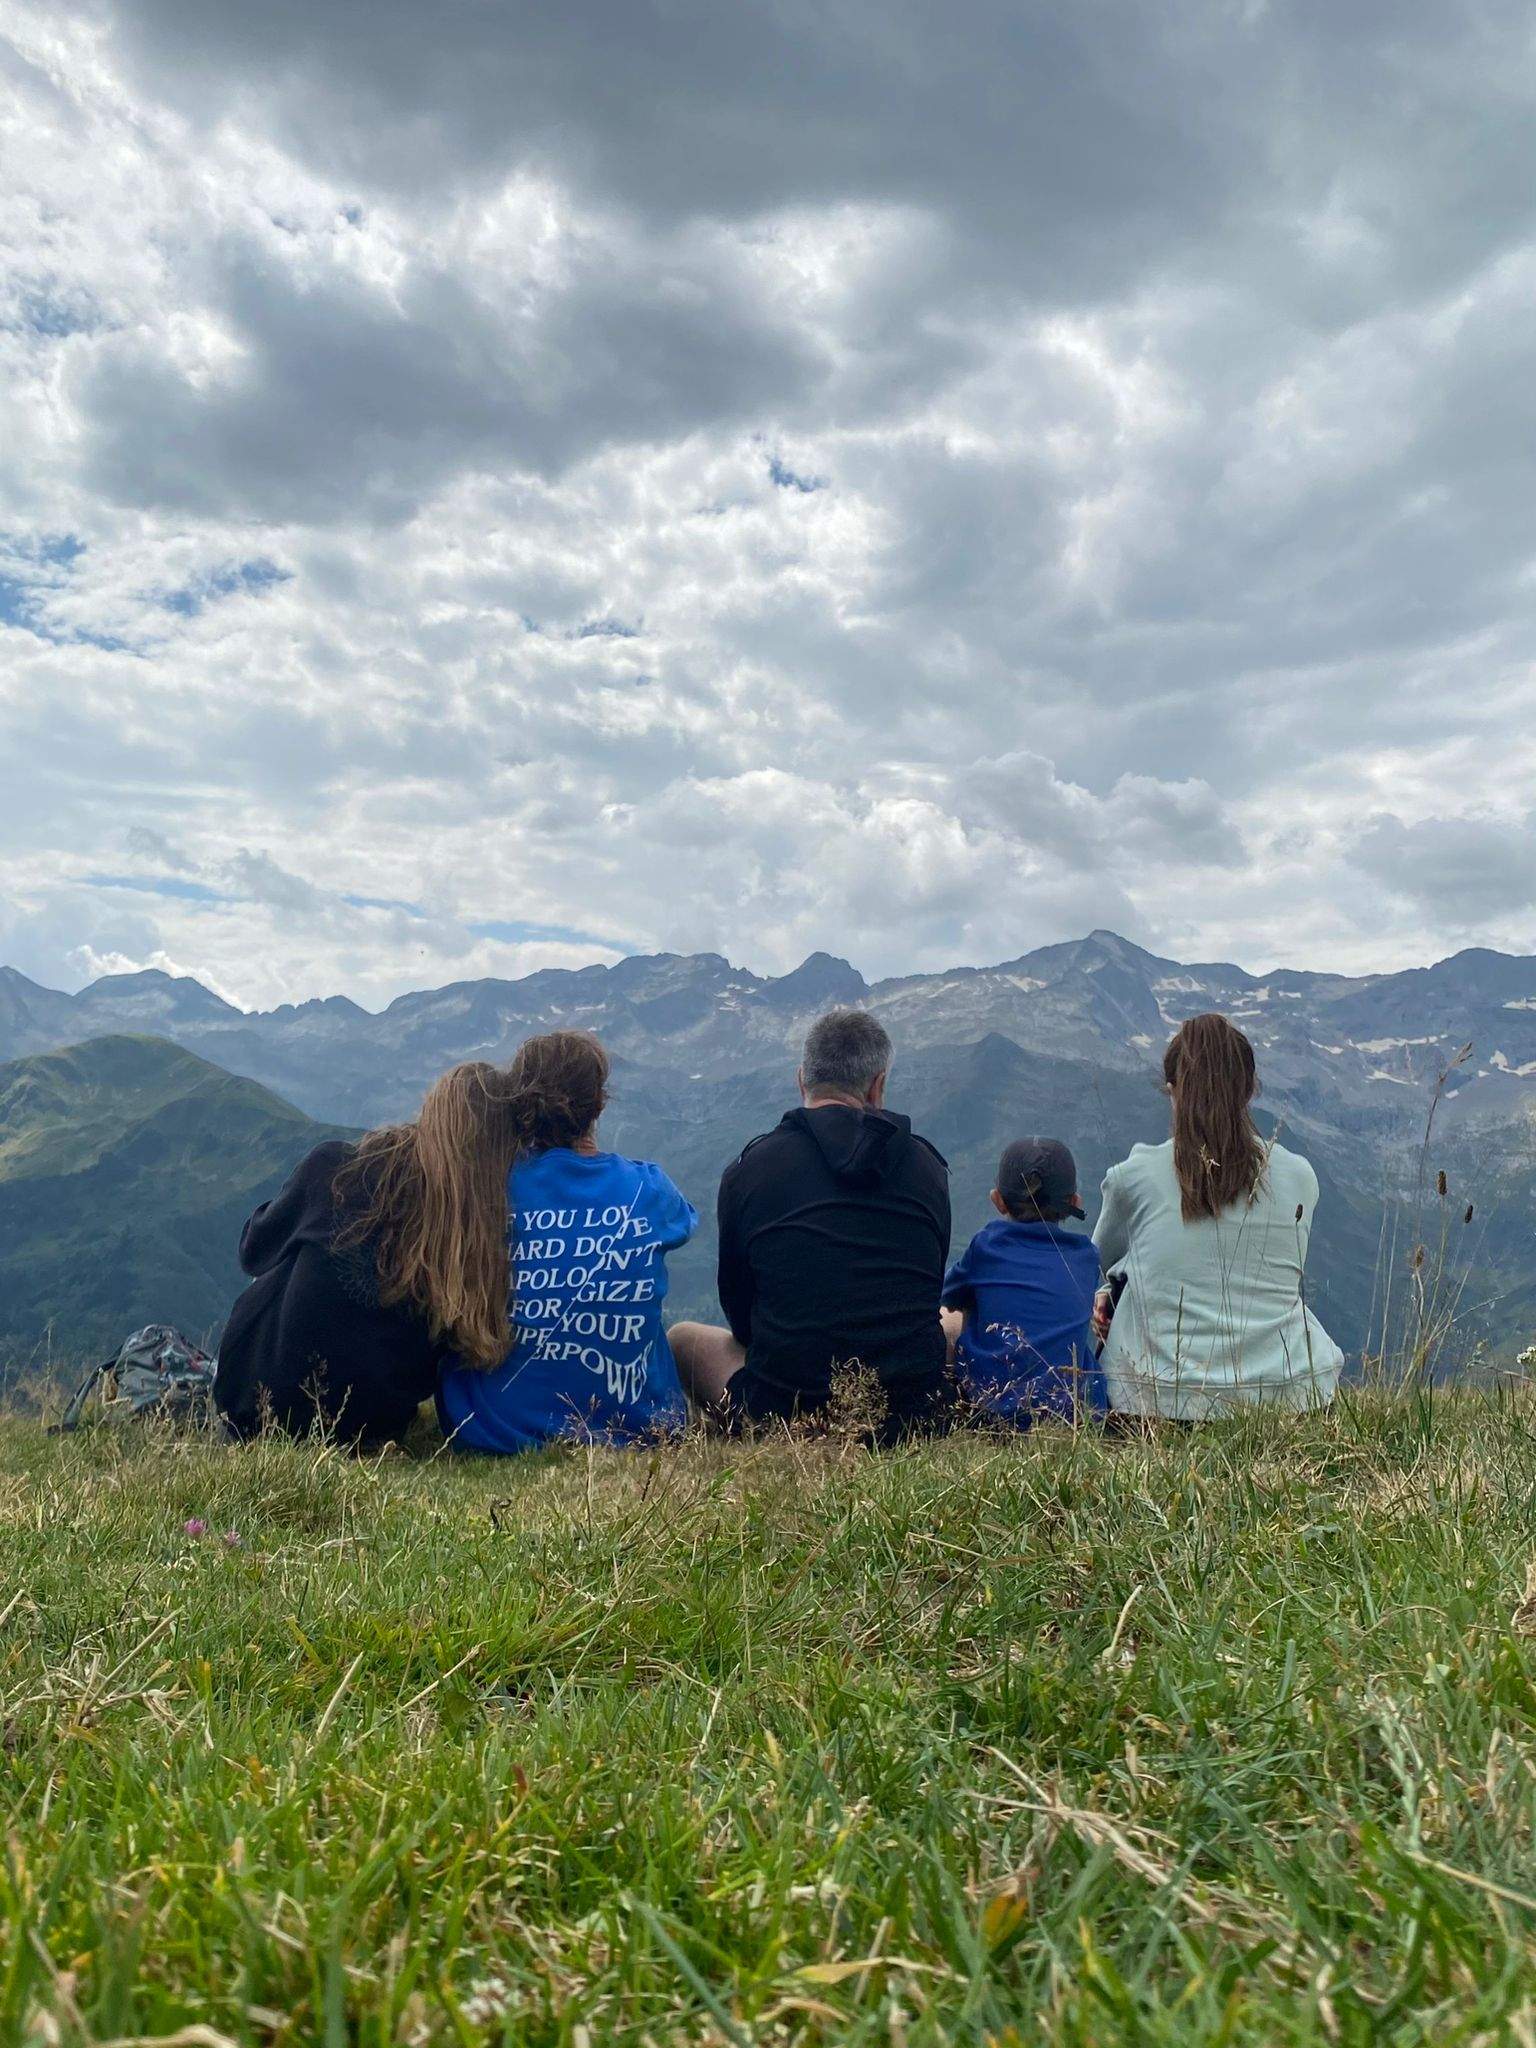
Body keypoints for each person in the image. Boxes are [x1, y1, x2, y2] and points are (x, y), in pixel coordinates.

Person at [670, 1008, 952, 1441]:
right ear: (878, 1086)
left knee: (683, 1339)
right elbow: (927, 1288)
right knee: (952, 1321)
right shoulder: (927, 1167)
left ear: (802, 1079)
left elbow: (741, 1318)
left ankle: (724, 1438)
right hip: (909, 1417)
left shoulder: (749, 1168)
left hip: (783, 1413)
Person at [216, 1062, 520, 1445]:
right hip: (367, 1429)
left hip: (251, 1405)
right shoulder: (479, 1244)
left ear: (430, 1112)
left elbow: (253, 1252)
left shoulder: (336, 1168)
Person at [437, 1030, 698, 1454]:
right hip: (642, 1430)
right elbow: (683, 1222)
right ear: (599, 1103)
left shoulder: (491, 1188)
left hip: (493, 1428)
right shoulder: (649, 1189)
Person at [1094, 1012, 1344, 1419]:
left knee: (1117, 1295)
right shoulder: (1299, 1176)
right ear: (1249, 1091)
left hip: (1153, 1406)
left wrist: (1108, 1291)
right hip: (1293, 1400)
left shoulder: (1132, 1177)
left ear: (1173, 1091)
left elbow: (1102, 1263)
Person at [940, 1137, 1105, 1426]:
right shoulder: (1087, 1256)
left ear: (998, 1200)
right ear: (1074, 1203)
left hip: (989, 1408)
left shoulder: (986, 1246)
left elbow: (948, 1297)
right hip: (1070, 1414)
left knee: (949, 1319)